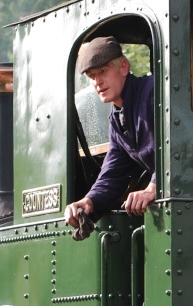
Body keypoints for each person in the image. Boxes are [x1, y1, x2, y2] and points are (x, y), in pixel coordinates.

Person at [64, 37, 156, 235]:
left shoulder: (153, 93)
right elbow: (114, 173)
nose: (97, 82)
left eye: (102, 72)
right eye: (91, 76)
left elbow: (180, 147)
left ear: (123, 67)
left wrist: (154, 187)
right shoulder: (117, 118)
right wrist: (88, 201)